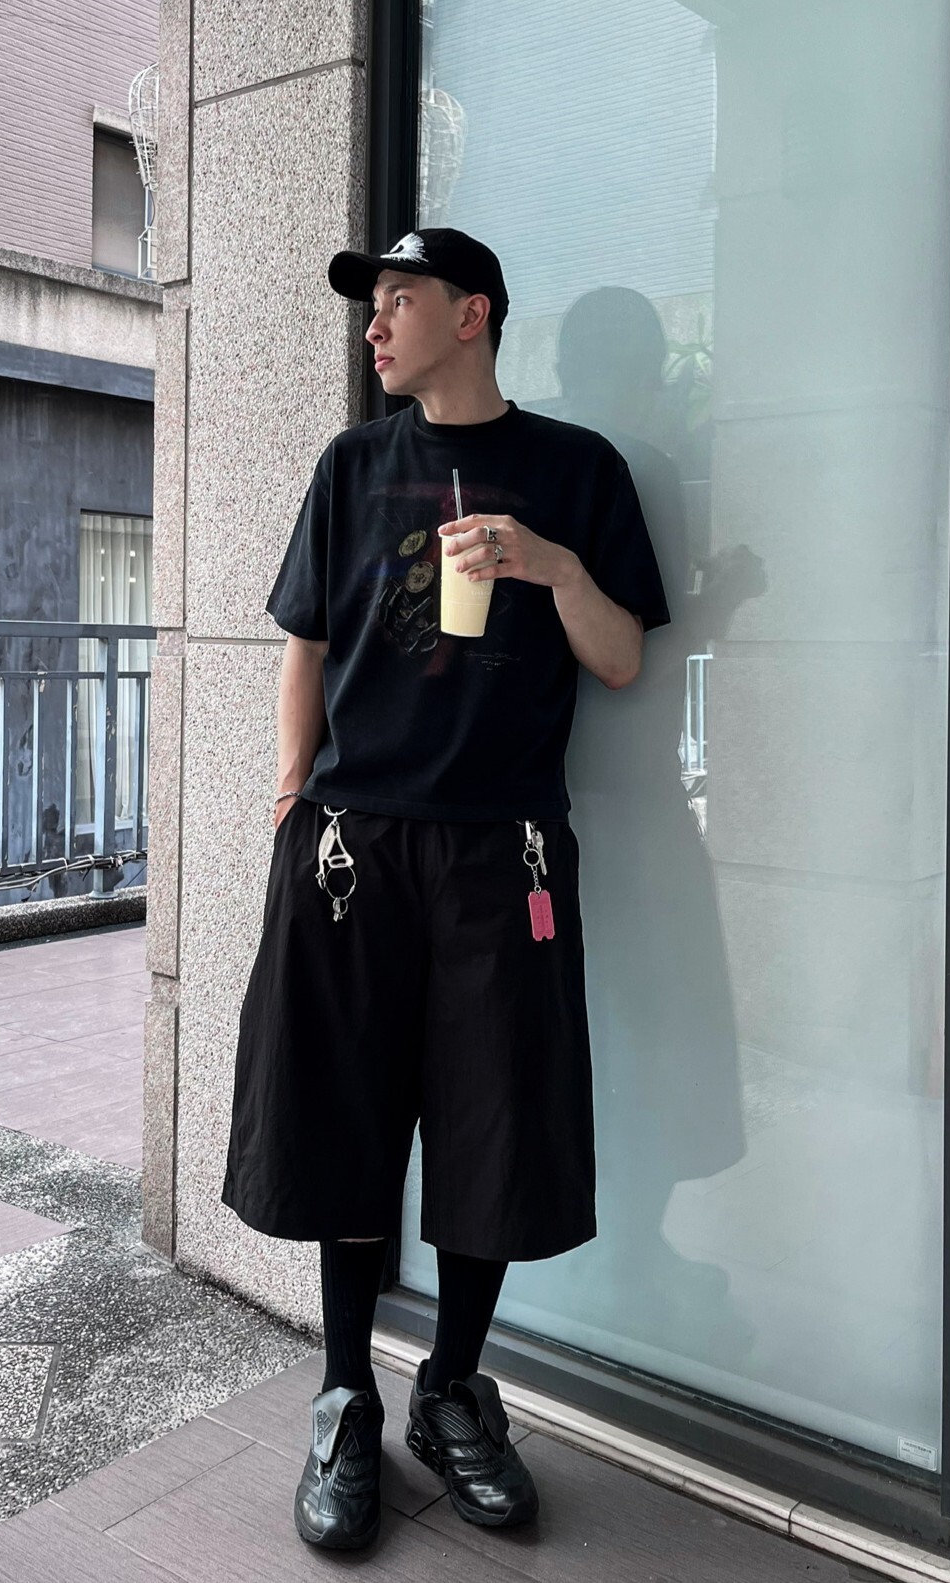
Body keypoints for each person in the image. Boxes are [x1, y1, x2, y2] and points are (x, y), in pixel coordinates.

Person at [220, 227, 672, 1551]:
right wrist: (295, 793)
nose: (375, 324)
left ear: (472, 315)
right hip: (353, 848)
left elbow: (622, 661)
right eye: (372, 304)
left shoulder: (577, 472)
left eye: (399, 300)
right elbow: (306, 642)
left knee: (495, 1122)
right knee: (342, 1118)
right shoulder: (353, 467)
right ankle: (345, 1396)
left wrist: (554, 566)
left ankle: (454, 1389)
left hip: (503, 847)